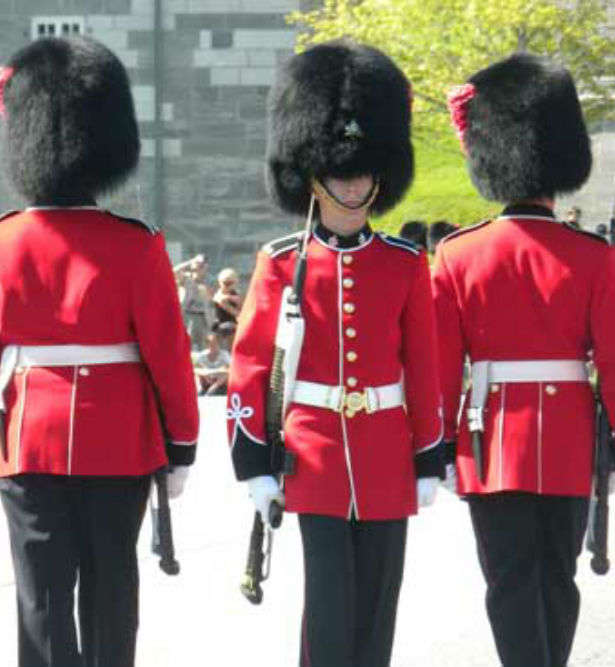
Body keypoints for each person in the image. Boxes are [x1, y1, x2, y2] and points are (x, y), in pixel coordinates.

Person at [0, 36, 198, 667]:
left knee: (40, 594)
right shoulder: (136, 245)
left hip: (26, 436)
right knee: (113, 588)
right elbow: (168, 354)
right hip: (121, 437)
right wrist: (181, 444)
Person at [227, 41, 444, 667]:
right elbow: (250, 367)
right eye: (340, 171)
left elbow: (423, 365)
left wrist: (428, 452)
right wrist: (253, 464)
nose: (352, 182)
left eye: (362, 171)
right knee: (327, 605)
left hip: (384, 453)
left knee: (378, 608)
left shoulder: (405, 264)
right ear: (312, 174)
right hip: (311, 454)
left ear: (381, 175)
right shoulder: (281, 261)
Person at [435, 53, 615, 667]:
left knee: (508, 580)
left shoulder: (459, 255)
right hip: (568, 440)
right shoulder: (592, 256)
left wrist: (430, 442)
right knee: (558, 579)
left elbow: (439, 367)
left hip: (489, 439)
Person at [174, 253, 213, 346]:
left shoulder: (209, 281)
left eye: (203, 265)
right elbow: (174, 271)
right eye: (199, 265)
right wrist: (192, 261)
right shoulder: (187, 279)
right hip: (188, 316)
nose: (200, 267)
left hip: (204, 318)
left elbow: (210, 303)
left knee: (202, 346)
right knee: (187, 345)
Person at [193, 328, 231, 395]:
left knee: (225, 375)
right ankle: (204, 390)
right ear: (207, 344)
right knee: (200, 375)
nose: (213, 346)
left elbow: (229, 368)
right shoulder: (202, 355)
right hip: (207, 380)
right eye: (211, 344)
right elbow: (196, 369)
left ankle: (213, 388)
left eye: (215, 343)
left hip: (220, 381)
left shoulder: (224, 355)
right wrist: (205, 375)